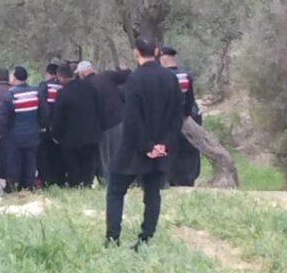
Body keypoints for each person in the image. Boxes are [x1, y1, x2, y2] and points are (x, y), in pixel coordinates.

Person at [106, 37, 183, 250]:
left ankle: (113, 239)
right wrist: (163, 145)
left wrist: (147, 146)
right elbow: (178, 115)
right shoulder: (170, 79)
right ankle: (145, 239)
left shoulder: (135, 79)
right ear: (157, 51)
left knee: (115, 191)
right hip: (161, 149)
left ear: (136, 52)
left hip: (134, 149)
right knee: (152, 193)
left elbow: (132, 118)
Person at [51, 64, 102, 187]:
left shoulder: (63, 93)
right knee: (88, 163)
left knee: (73, 164)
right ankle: (87, 183)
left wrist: (55, 135)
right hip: (91, 134)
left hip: (70, 137)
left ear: (61, 77)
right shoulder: (89, 87)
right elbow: (98, 107)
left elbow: (58, 117)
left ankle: (75, 185)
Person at [159, 46, 203, 187]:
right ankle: (188, 178)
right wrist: (186, 115)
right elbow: (190, 99)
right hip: (185, 120)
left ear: (164, 60)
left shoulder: (162, 76)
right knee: (188, 150)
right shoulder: (185, 75)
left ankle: (168, 178)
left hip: (167, 121)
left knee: (169, 150)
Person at [81, 61, 130, 182]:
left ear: (82, 73)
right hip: (121, 119)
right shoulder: (106, 75)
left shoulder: (85, 85)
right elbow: (127, 74)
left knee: (105, 157)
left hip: (104, 125)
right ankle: (126, 180)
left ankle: (108, 182)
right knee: (122, 152)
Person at [0, 66, 43, 192]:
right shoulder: (36, 91)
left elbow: (3, 117)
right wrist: (41, 126)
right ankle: (29, 186)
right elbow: (43, 111)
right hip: (33, 133)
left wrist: (0, 132)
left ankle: (13, 187)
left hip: (15, 135)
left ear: (15, 77)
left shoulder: (10, 95)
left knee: (14, 162)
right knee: (30, 161)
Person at [37, 63, 65, 187]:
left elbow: (42, 107)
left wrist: (44, 124)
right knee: (59, 155)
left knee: (45, 155)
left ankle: (47, 180)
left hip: (47, 127)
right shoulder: (63, 86)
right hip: (62, 126)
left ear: (48, 73)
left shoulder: (44, 86)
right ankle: (60, 179)